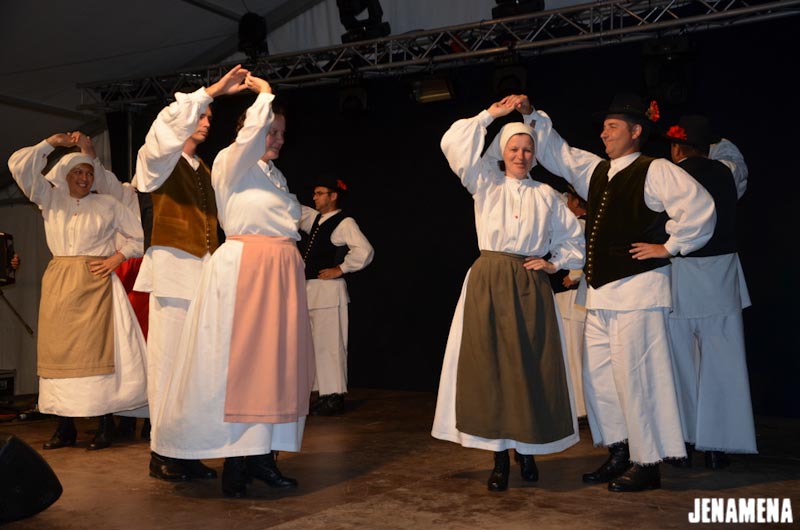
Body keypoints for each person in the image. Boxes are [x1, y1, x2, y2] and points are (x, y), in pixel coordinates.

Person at [524, 93, 717, 492]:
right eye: (604, 127)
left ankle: (648, 461)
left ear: (635, 131)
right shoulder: (598, 171)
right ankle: (620, 451)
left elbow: (699, 208)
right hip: (601, 295)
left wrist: (670, 246)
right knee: (601, 379)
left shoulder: (654, 169)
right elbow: (559, 154)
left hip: (638, 293)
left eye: (612, 127)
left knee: (639, 377)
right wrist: (530, 116)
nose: (604, 133)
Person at [153, 74, 315, 498]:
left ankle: (264, 456)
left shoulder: (274, 176)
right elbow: (252, 137)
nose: (277, 139)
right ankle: (237, 462)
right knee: (243, 367)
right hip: (248, 270)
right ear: (250, 130)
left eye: (282, 133)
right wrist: (265, 96)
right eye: (271, 131)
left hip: (279, 272)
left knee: (275, 369)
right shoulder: (231, 163)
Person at [431, 95, 585, 492]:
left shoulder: (546, 195)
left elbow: (574, 239)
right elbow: (453, 142)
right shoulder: (485, 183)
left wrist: (554, 264)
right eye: (514, 149)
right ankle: (499, 456)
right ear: (502, 151)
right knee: (491, 367)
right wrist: (492, 114)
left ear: (535, 155)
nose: (520, 155)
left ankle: (526, 449)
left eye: (527, 149)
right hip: (488, 279)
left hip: (529, 284)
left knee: (530, 367)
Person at [132, 65, 249, 482]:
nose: (205, 121)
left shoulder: (206, 169)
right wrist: (212, 91)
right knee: (167, 367)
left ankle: (187, 448)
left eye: (209, 117)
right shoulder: (157, 161)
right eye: (200, 115)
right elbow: (165, 127)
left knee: (198, 370)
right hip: (172, 273)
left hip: (204, 274)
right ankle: (161, 451)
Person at [8, 131, 147, 451]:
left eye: (89, 173)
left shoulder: (108, 204)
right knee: (59, 353)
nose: (84, 178)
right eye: (78, 172)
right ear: (65, 175)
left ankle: (104, 424)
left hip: (96, 282)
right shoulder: (50, 199)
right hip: (60, 281)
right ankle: (65, 427)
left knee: (97, 354)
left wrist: (117, 257)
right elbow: (19, 167)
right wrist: (50, 144)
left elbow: (137, 237)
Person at [663, 115, 756, 469]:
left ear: (677, 148)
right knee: (723, 365)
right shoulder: (727, 172)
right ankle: (718, 446)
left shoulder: (669, 176)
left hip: (681, 276)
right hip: (720, 277)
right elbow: (734, 157)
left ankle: (682, 442)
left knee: (680, 363)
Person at [298, 178, 374, 416]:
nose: (315, 197)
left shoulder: (344, 222)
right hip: (313, 292)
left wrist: (341, 268)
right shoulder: (316, 219)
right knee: (317, 346)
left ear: (333, 196)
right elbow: (294, 209)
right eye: (314, 193)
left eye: (320, 193)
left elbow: (365, 250)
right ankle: (324, 393)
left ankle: (334, 396)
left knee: (330, 345)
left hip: (329, 293)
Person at [553, 185, 588, 420]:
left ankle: (580, 408)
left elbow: (583, 256)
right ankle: (578, 406)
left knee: (574, 353)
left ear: (576, 202)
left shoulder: (580, 225)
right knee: (575, 352)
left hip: (573, 298)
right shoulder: (583, 224)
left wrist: (575, 275)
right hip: (572, 298)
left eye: (568, 199)